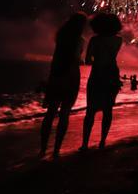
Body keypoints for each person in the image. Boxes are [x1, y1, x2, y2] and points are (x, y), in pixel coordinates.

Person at [40, 12, 87, 159]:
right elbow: (75, 58)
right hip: (71, 76)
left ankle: (42, 149)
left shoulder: (60, 37)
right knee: (65, 113)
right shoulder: (80, 40)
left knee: (50, 113)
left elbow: (58, 58)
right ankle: (56, 150)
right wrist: (81, 61)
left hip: (56, 75)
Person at [80, 13, 123, 151]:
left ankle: (85, 144)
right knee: (108, 110)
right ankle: (102, 141)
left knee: (90, 111)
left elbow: (87, 60)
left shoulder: (95, 40)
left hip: (98, 75)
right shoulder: (118, 40)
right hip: (112, 74)